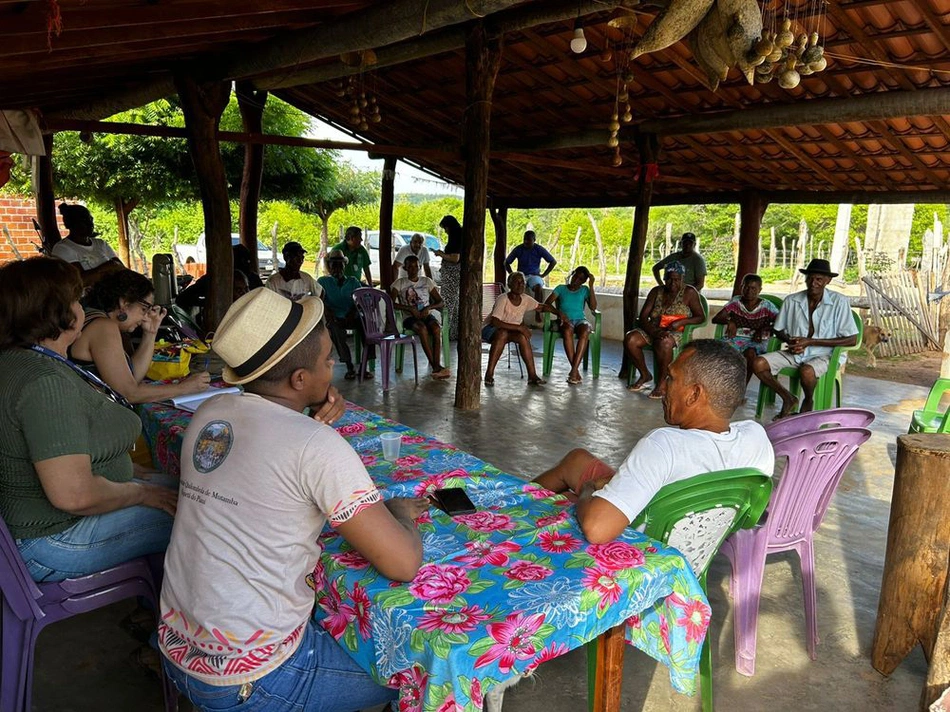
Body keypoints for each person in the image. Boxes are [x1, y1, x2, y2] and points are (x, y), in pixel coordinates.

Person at [158, 288, 427, 711]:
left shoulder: (209, 414)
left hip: (177, 651)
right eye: (327, 362)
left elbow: (268, 473)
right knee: (425, 670)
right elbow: (403, 563)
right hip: (254, 680)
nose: (334, 366)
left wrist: (309, 425)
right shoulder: (316, 447)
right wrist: (400, 514)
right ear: (299, 381)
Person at [0, 257, 177, 582]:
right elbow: (74, 495)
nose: (83, 308)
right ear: (59, 313)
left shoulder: (23, 361)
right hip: (51, 539)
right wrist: (140, 493)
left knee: (196, 491)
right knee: (208, 517)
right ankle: (187, 632)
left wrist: (135, 475)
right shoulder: (42, 381)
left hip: (42, 530)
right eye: (76, 300)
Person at [534, 340, 775, 544]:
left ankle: (504, 517)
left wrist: (588, 490)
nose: (664, 387)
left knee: (568, 502)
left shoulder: (664, 445)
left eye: (671, 378)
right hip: (692, 544)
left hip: (641, 548)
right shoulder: (757, 438)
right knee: (577, 460)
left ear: (694, 394)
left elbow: (597, 530)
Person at [69, 269, 210, 404]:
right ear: (124, 303)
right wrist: (184, 388)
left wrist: (150, 333)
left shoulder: (95, 318)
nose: (145, 317)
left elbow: (132, 378)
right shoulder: (103, 326)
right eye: (144, 308)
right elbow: (128, 393)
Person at [752, 258, 858, 418]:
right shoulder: (792, 300)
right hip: (795, 353)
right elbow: (777, 329)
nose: (813, 282)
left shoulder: (839, 302)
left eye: (819, 279)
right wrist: (790, 342)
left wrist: (811, 341)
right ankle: (788, 397)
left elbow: (852, 339)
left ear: (828, 281)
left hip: (824, 355)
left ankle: (808, 400)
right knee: (758, 363)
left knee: (807, 371)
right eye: (810, 278)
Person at [624, 261, 705, 400]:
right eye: (669, 279)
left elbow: (701, 317)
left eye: (677, 279)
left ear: (682, 279)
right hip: (654, 329)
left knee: (665, 343)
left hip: (677, 332)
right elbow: (643, 317)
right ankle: (645, 375)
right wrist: (654, 331)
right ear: (664, 278)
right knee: (630, 339)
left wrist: (682, 321)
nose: (672, 283)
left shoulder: (689, 292)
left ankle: (662, 383)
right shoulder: (656, 291)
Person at [482, 271, 558, 387]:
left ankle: (532, 376)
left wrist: (559, 314)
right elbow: (495, 322)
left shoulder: (526, 299)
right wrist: (520, 327)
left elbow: (541, 307)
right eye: (517, 282)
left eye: (523, 282)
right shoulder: (503, 299)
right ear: (509, 284)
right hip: (491, 329)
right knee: (502, 333)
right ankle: (489, 373)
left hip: (510, 331)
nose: (521, 285)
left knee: (522, 338)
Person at [391, 254, 450, 379]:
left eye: (416, 266)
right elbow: (391, 303)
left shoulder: (426, 281)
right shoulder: (399, 283)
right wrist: (409, 308)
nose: (413, 269)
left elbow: (441, 301)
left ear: (420, 267)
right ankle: (436, 367)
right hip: (409, 317)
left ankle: (436, 365)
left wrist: (429, 308)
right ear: (405, 268)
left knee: (436, 329)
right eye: (410, 267)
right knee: (422, 329)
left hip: (426, 314)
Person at [317, 249, 373, 380]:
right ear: (329, 267)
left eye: (339, 264)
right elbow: (320, 302)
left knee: (367, 325)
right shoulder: (323, 282)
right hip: (335, 317)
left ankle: (364, 367)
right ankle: (349, 366)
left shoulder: (352, 281)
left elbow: (360, 301)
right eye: (333, 265)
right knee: (335, 330)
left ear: (344, 265)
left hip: (352, 315)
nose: (337, 268)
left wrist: (352, 313)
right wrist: (330, 313)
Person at [712, 273, 779, 382]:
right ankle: (720, 385)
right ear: (741, 287)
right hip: (736, 338)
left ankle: (742, 388)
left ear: (760, 290)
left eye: (753, 288)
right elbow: (716, 319)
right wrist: (730, 322)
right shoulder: (736, 302)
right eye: (746, 287)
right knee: (719, 350)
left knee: (750, 353)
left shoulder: (767, 306)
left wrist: (763, 329)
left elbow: (781, 323)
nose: (749, 291)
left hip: (757, 341)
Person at [544, 266, 597, 385]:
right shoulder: (561, 288)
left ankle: (573, 370)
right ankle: (575, 372)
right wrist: (559, 313)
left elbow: (593, 307)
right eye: (575, 276)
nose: (576, 280)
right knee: (567, 330)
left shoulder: (584, 290)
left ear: (583, 282)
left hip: (580, 320)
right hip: (565, 321)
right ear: (572, 275)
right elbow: (546, 304)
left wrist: (591, 286)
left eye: (580, 279)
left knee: (585, 330)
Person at [51, 203, 124, 286]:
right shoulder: (62, 248)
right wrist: (107, 267)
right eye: (84, 221)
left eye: (91, 220)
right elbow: (80, 281)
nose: (91, 224)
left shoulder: (101, 244)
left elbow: (122, 269)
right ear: (70, 224)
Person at [505, 230, 557, 321]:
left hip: (534, 275)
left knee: (538, 287)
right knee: (515, 290)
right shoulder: (519, 249)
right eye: (524, 239)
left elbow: (553, 261)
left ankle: (538, 313)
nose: (526, 242)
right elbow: (506, 262)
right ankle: (514, 315)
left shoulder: (539, 249)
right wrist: (512, 274)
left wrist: (544, 274)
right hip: (521, 275)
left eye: (529, 240)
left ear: (534, 240)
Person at [435, 215, 462, 340]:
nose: (445, 231)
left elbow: (455, 258)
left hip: (452, 275)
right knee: (454, 304)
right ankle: (453, 333)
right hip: (454, 274)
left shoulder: (456, 237)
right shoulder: (460, 235)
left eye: (445, 228)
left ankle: (445, 332)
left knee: (448, 304)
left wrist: (441, 254)